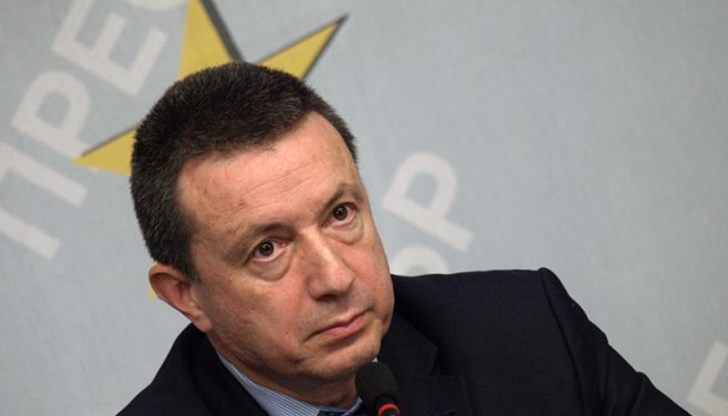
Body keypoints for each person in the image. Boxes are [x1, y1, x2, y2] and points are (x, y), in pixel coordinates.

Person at [119, 62, 689, 416]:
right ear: (185, 295)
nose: (335, 277)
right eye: (268, 248)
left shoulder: (529, 334)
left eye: (340, 214)